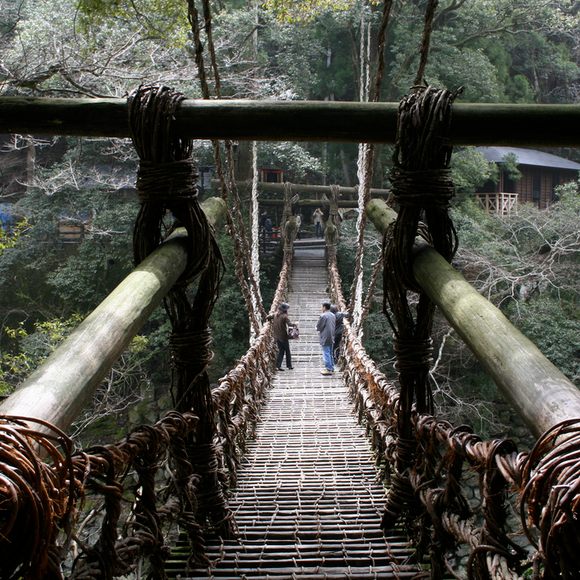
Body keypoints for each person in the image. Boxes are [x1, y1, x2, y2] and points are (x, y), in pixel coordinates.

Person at [272, 302, 295, 371]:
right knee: (287, 351)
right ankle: (289, 365)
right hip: (283, 336)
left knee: (281, 351)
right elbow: (290, 324)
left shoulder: (275, 314)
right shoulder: (285, 316)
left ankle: (278, 366)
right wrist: (295, 324)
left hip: (276, 337)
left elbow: (269, 317)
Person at [316, 301, 335, 375]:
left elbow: (319, 326)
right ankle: (332, 367)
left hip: (325, 336)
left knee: (326, 353)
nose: (321, 308)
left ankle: (328, 369)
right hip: (332, 336)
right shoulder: (333, 315)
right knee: (330, 353)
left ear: (324, 307)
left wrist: (317, 328)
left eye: (321, 307)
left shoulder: (323, 316)